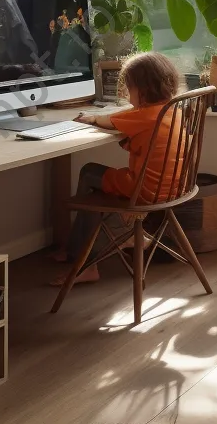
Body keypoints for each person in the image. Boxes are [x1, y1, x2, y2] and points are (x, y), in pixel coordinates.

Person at [50, 51, 183, 285]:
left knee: (89, 172)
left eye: (129, 88)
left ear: (143, 90)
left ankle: (85, 259)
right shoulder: (171, 109)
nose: (126, 93)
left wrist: (91, 118)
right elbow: (129, 121)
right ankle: (95, 244)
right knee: (94, 176)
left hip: (144, 191)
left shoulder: (146, 116)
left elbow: (107, 121)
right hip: (175, 187)